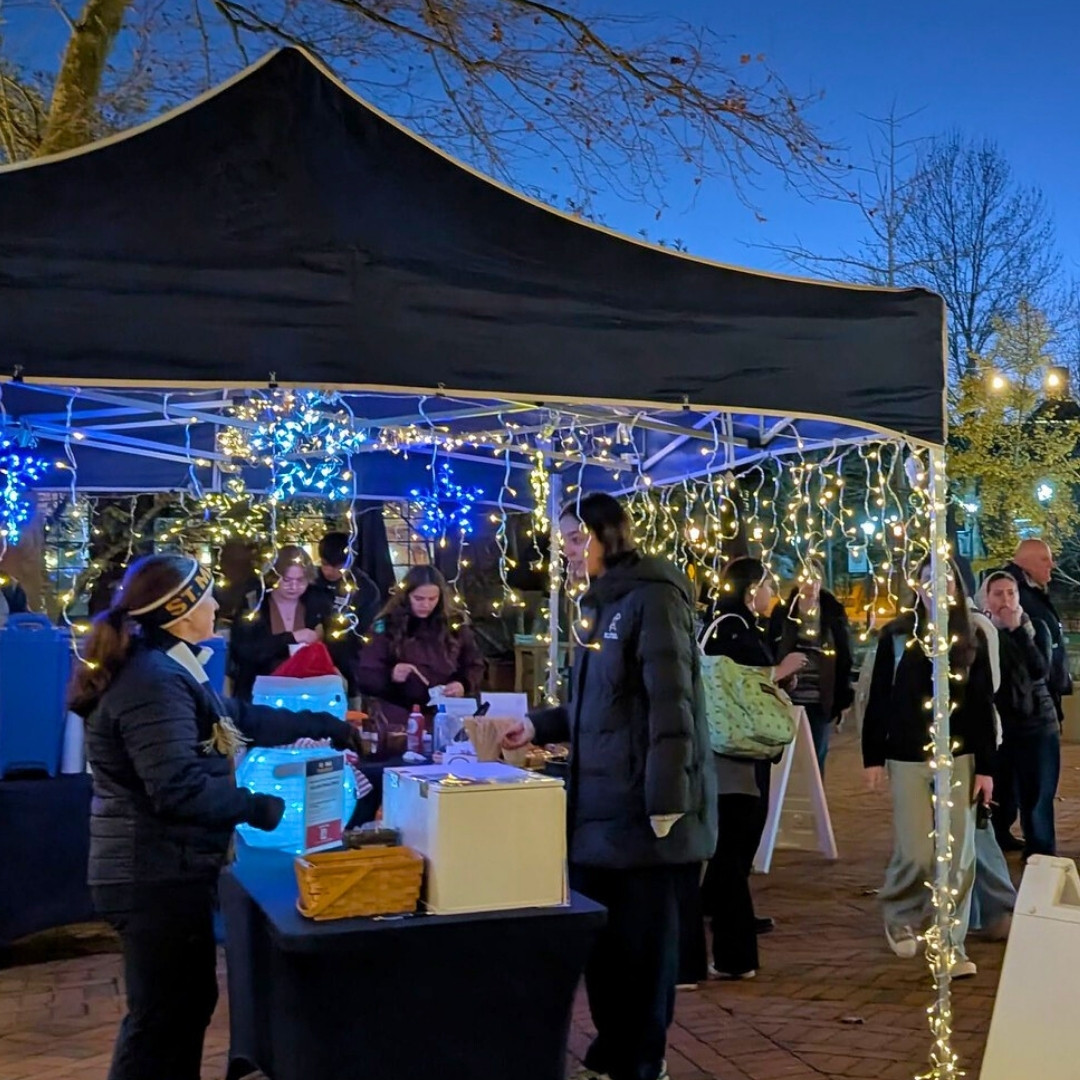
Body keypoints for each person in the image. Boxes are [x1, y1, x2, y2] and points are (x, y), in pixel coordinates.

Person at [70, 553, 361, 1080]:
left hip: (168, 869)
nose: (215, 606)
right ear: (180, 610)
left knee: (183, 1006)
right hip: (151, 874)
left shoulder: (169, 664)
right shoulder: (152, 680)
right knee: (163, 1017)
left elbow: (236, 717)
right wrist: (257, 807)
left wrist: (325, 723)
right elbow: (176, 788)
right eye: (205, 597)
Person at [503, 493, 716, 1080]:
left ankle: (642, 1059)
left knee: (642, 953)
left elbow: (671, 707)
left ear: (606, 536)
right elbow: (594, 704)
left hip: (643, 814)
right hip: (598, 810)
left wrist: (667, 804)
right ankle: (614, 1049)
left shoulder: (653, 598)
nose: (567, 552)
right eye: (564, 540)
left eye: (575, 539)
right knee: (604, 948)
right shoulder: (598, 607)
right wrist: (537, 725)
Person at [862, 557, 995, 978]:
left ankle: (949, 944)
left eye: (945, 579)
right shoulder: (898, 637)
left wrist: (987, 767)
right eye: (926, 580)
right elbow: (878, 698)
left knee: (957, 856)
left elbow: (981, 707)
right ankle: (899, 910)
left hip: (959, 756)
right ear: (917, 587)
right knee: (918, 851)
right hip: (907, 756)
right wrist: (872, 757)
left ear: (957, 586)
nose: (936, 587)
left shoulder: (972, 636)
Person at [700, 557, 805, 980]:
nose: (772, 595)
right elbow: (739, 685)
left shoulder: (741, 626)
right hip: (733, 755)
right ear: (748, 590)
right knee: (732, 850)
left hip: (739, 755)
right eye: (766, 586)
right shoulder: (731, 627)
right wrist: (780, 671)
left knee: (733, 849)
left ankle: (731, 938)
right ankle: (734, 950)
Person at [992, 539, 1071, 851]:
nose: (1051, 566)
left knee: (1030, 787)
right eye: (1045, 560)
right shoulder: (1003, 621)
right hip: (1017, 716)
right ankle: (1037, 852)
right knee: (1025, 788)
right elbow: (1036, 668)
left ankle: (1032, 847)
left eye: (1010, 593)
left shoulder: (1032, 611)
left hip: (1037, 714)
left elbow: (1042, 666)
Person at [984, 570, 1060, 858]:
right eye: (998, 594)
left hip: (1037, 723)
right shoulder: (982, 631)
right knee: (1001, 792)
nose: (1006, 600)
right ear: (987, 599)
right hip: (1000, 726)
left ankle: (1040, 852)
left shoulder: (1034, 627)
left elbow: (1040, 670)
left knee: (1037, 793)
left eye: (1011, 593)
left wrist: (1017, 631)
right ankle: (999, 839)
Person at [354, 565, 484, 731]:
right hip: (396, 718)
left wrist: (463, 684)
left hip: (444, 715)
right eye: (419, 599)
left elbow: (474, 663)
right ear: (406, 596)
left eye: (432, 599)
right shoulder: (386, 626)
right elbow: (365, 673)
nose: (426, 605)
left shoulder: (454, 625)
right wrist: (391, 674)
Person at [769, 563, 853, 777]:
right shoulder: (784, 612)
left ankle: (816, 805)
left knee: (816, 756)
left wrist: (843, 698)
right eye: (805, 577)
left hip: (820, 694)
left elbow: (844, 656)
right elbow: (772, 648)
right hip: (788, 694)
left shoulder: (832, 612)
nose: (810, 583)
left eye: (815, 577)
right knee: (783, 758)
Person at [228, 546, 333, 701]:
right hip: (258, 692)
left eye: (300, 580)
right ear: (273, 577)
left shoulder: (317, 603)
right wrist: (292, 638)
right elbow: (245, 651)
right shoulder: (254, 604)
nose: (294, 587)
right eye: (286, 580)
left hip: (307, 692)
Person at [308, 531, 383, 702]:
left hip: (350, 670)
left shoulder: (366, 590)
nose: (331, 571)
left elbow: (365, 635)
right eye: (326, 564)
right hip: (310, 665)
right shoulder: (311, 581)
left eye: (338, 566)